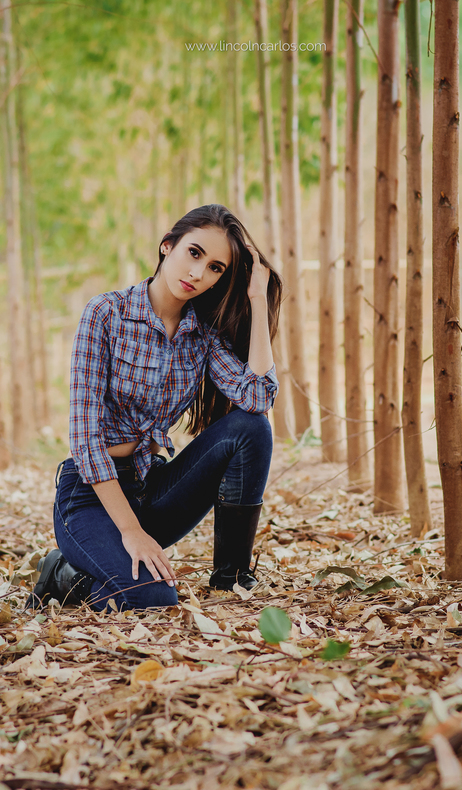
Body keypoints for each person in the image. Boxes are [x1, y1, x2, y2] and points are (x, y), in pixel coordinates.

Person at [29, 204, 284, 612]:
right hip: (90, 497)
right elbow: (84, 441)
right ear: (168, 246)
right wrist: (131, 532)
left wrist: (257, 300)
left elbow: (257, 398)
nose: (199, 273)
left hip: (150, 487)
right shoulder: (106, 314)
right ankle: (65, 574)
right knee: (152, 598)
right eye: (194, 253)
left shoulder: (202, 334)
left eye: (216, 268)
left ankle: (231, 578)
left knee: (251, 428)